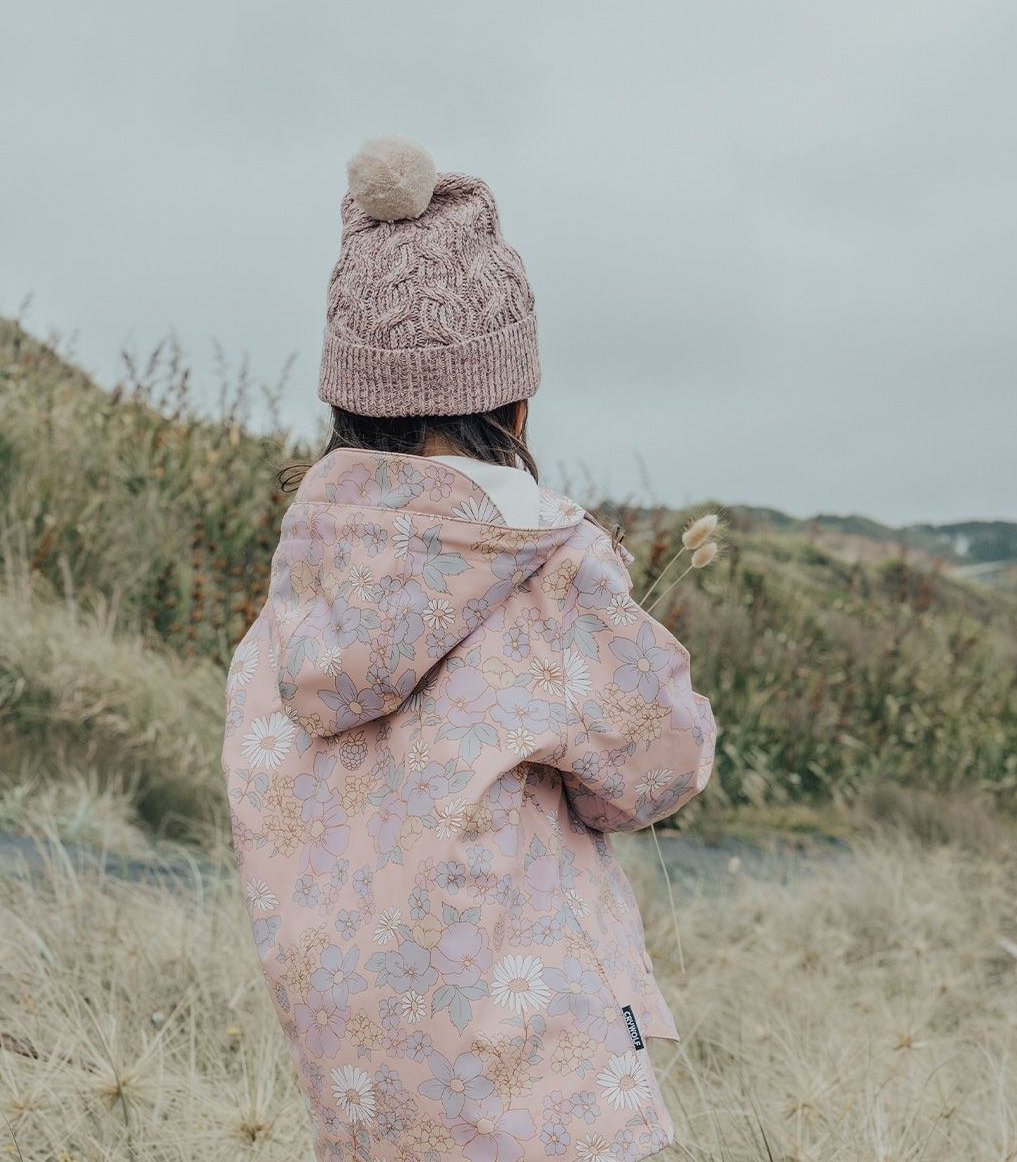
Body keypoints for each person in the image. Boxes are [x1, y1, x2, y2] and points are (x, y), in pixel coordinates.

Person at [222, 136, 717, 1162]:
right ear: (515, 404)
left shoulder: (292, 608)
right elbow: (662, 766)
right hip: (548, 1095)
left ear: (345, 404)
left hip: (367, 1098)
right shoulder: (547, 577)